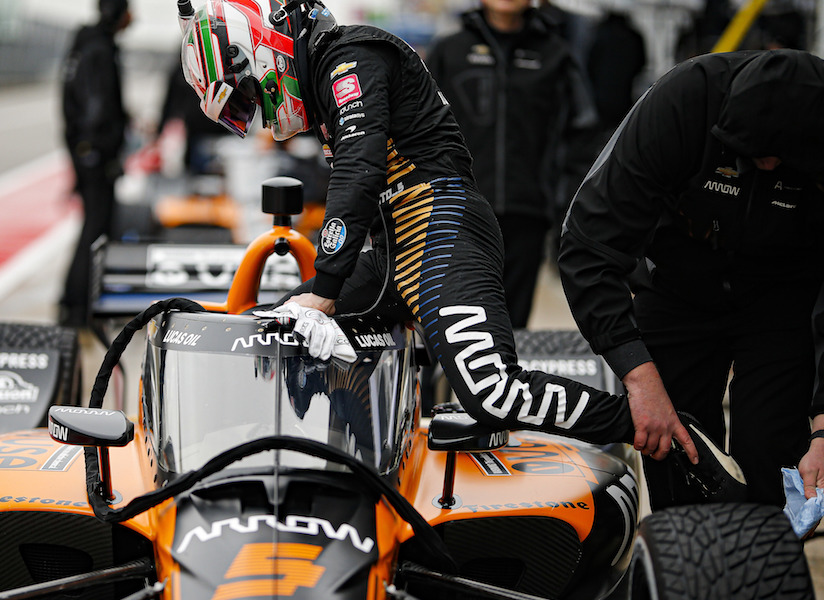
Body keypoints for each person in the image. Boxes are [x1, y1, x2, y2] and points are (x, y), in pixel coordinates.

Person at [176, 0, 754, 502]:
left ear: (262, 47)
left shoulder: (351, 57)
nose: (255, 112)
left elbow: (359, 169)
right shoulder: (332, 74)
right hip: (395, 245)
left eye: (246, 94)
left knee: (490, 391)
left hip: (442, 225)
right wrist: (317, 297)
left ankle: (653, 424)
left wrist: (326, 290)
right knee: (276, 331)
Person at [558, 49, 824, 508]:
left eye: (780, 159)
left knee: (772, 457)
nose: (766, 167)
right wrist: (638, 377)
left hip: (784, 296)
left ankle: (767, 547)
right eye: (754, 155)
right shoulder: (682, 100)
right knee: (679, 451)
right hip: (676, 285)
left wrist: (822, 426)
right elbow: (588, 245)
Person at [425, 0, 599, 329]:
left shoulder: (555, 55)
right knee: (458, 321)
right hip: (459, 212)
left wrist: (564, 203)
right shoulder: (449, 51)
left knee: (512, 325)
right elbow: (422, 128)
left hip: (528, 213)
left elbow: (581, 136)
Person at [58, 0, 133, 327]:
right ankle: (79, 307)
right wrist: (102, 149)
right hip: (96, 154)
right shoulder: (100, 50)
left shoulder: (85, 45)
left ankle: (77, 302)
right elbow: (97, 106)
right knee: (96, 230)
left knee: (94, 226)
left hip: (85, 150)